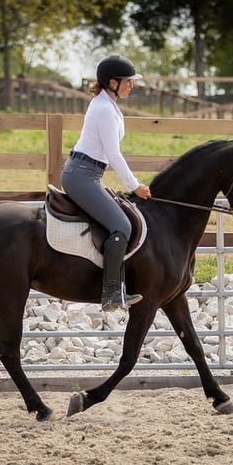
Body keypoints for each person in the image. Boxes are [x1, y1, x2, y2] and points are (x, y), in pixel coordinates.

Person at [61, 54, 152, 311]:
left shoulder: (107, 104)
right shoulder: (103, 109)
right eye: (127, 81)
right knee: (121, 225)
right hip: (82, 175)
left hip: (88, 173)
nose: (131, 86)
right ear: (112, 82)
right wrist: (134, 185)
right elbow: (113, 154)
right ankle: (111, 292)